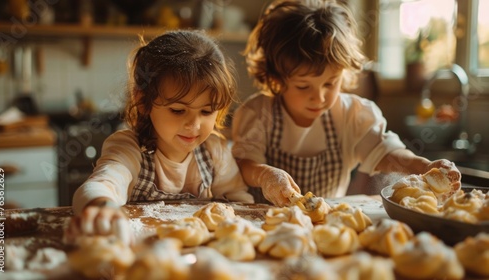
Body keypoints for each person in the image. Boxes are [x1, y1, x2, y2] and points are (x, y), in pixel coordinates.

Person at [231, 0, 461, 206]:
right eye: (303, 87)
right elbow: (245, 164)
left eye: (330, 83)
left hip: (327, 226)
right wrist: (265, 176)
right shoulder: (258, 114)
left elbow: (387, 154)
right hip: (264, 223)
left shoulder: (352, 114)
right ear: (276, 78)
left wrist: (424, 166)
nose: (319, 97)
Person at [66, 30, 254, 243]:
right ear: (144, 100)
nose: (194, 125)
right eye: (177, 110)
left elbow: (240, 204)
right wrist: (102, 206)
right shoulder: (129, 148)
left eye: (206, 111)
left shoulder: (215, 152)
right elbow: (101, 184)